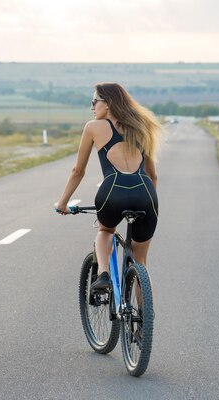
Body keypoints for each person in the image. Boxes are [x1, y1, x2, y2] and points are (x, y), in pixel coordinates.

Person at [54, 82, 161, 293]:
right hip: (145, 194)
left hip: (113, 191)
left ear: (108, 104)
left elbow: (78, 171)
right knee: (140, 259)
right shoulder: (142, 127)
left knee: (105, 231)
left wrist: (63, 203)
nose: (92, 107)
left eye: (95, 101)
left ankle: (103, 274)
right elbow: (153, 175)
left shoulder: (93, 127)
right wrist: (148, 202)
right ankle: (144, 321)